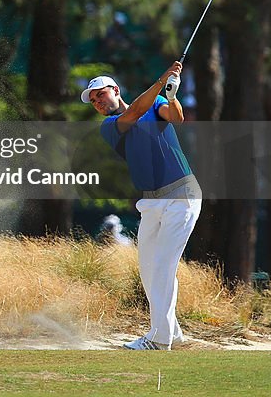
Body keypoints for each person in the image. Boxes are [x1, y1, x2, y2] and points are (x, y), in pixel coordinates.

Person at [81, 61, 201, 351]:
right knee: (149, 269)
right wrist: (162, 79)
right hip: (151, 202)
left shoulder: (156, 102)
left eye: (101, 94)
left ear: (115, 90)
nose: (97, 101)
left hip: (181, 195)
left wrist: (171, 95)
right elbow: (134, 112)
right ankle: (173, 332)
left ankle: (159, 339)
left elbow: (176, 117)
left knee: (163, 266)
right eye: (93, 100)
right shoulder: (109, 126)